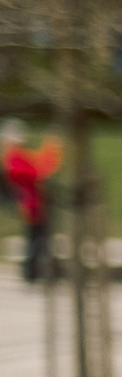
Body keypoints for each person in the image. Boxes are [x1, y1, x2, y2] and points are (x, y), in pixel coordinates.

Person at [3, 120, 61, 283]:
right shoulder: (14, 160)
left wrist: (50, 146)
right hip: (31, 205)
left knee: (37, 240)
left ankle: (34, 272)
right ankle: (31, 273)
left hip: (34, 204)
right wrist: (52, 148)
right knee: (36, 240)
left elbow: (38, 163)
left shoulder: (17, 157)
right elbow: (40, 170)